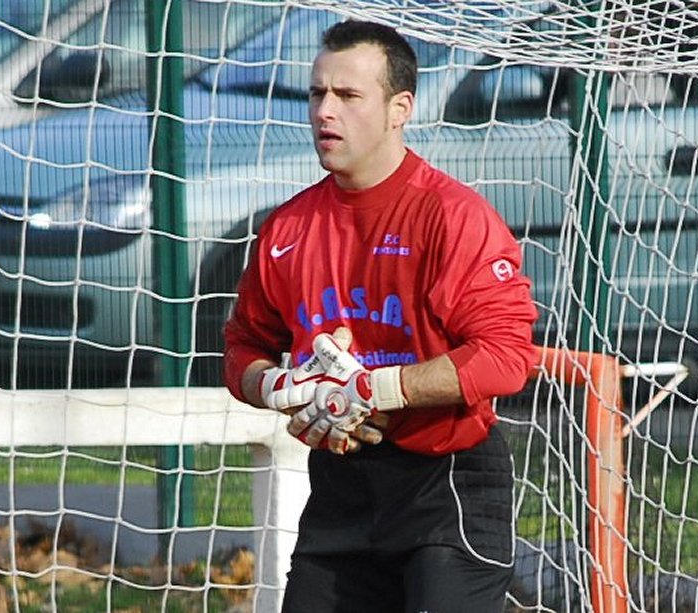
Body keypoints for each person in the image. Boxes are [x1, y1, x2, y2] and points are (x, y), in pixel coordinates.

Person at [222, 18, 538, 613]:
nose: (324, 111)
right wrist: (281, 386)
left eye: (347, 95)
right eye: (317, 93)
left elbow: (506, 358)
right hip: (343, 486)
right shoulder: (287, 229)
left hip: (446, 483)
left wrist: (371, 389)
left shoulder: (452, 217)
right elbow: (241, 347)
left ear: (400, 109)